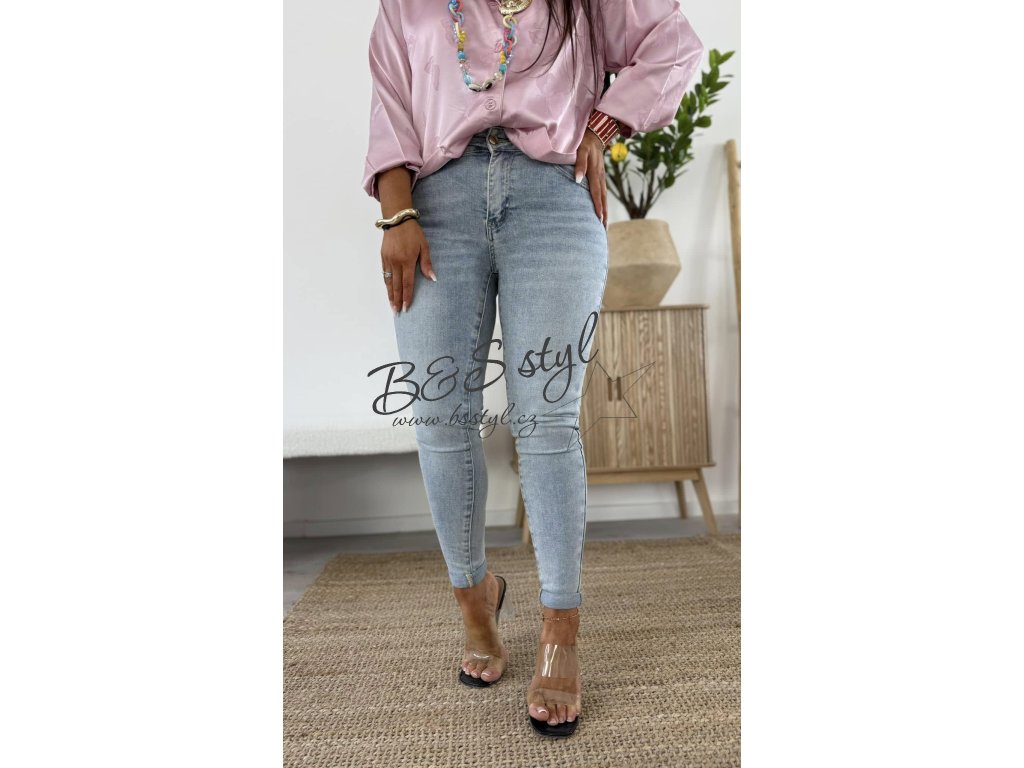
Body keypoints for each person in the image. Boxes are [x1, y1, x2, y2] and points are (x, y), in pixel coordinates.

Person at [363, 0, 703, 738]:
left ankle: (560, 627)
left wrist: (604, 125)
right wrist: (396, 214)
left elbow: (674, 43)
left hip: (553, 198)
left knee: (546, 418)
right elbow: (390, 102)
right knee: (439, 415)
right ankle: (474, 599)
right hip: (435, 202)